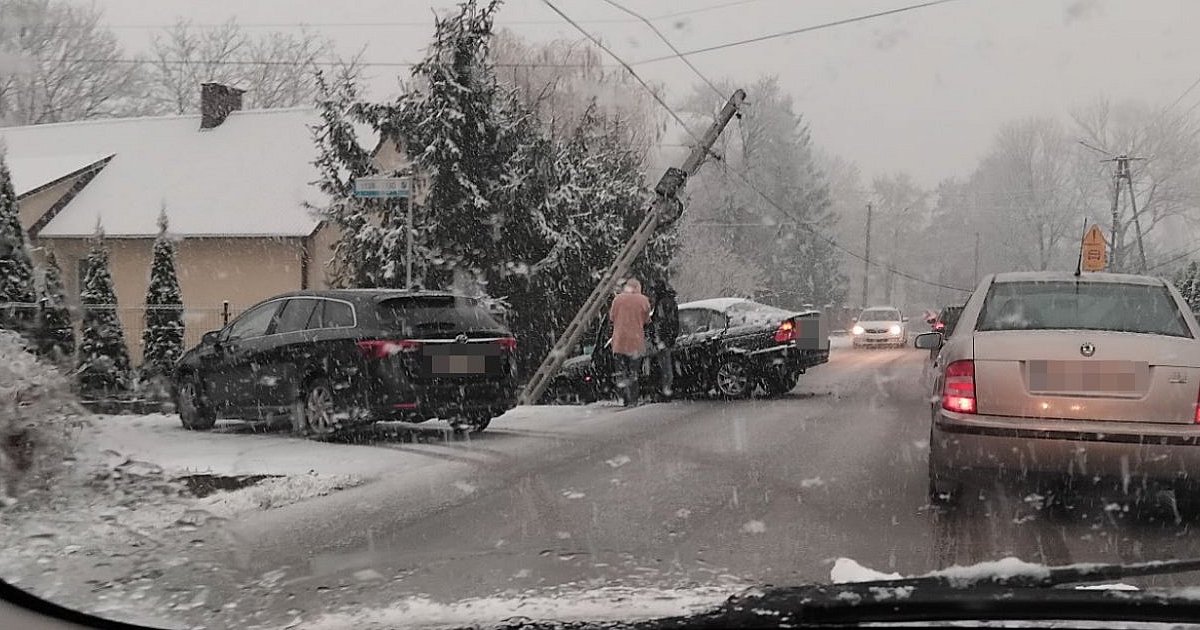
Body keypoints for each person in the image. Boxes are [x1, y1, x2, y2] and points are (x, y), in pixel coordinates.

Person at [608, 278, 651, 406]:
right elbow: (646, 320)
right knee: (633, 372)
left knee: (621, 371)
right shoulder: (643, 300)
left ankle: (624, 397)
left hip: (619, 341)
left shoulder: (617, 300)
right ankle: (633, 398)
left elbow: (611, 317)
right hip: (635, 342)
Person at [648, 279, 679, 401]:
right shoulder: (670, 301)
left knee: (665, 368)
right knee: (667, 366)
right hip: (668, 339)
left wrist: (659, 338)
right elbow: (673, 322)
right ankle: (667, 390)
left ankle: (665, 392)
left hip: (663, 340)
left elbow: (661, 322)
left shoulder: (662, 303)